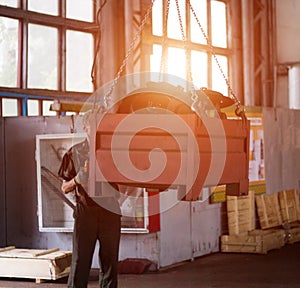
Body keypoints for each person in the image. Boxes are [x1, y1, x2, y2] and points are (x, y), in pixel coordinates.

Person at [58, 110, 121, 288]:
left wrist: (118, 200)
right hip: (86, 213)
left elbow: (129, 182)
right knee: (80, 262)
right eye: (94, 124)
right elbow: (64, 187)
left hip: (110, 211)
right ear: (85, 127)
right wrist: (78, 179)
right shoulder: (75, 153)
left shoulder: (115, 151)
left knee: (110, 263)